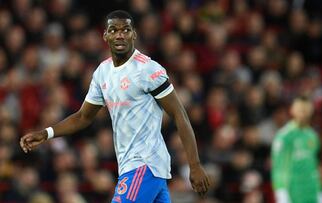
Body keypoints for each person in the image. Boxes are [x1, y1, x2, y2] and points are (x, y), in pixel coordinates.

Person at [20, 10, 210, 203]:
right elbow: (82, 117)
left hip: (144, 164)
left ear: (134, 34)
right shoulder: (103, 72)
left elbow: (180, 115)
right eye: (113, 30)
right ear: (105, 35)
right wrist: (46, 133)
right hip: (133, 166)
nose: (120, 34)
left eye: (126, 30)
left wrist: (194, 165)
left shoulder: (148, 69)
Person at [271, 96, 322, 203]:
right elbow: (277, 167)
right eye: (300, 110)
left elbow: (314, 165)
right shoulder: (284, 136)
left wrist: (320, 191)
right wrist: (281, 193)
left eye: (306, 110)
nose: (303, 114)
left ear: (311, 111)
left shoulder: (312, 136)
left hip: (311, 190)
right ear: (292, 110)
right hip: (292, 190)